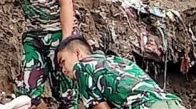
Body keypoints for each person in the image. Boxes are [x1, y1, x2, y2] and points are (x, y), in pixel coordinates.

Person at [55, 35, 187, 109]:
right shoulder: (120, 61)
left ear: (78, 53)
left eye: (63, 61)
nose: (63, 69)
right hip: (172, 103)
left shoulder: (82, 68)